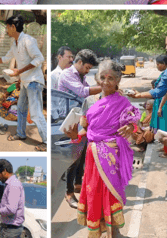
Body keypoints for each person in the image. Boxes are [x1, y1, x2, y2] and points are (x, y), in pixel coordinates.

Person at [75, 60, 140, 238]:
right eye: (102, 77)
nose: (105, 81)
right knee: (93, 191)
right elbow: (84, 129)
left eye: (110, 78)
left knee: (112, 191)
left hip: (112, 156)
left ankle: (115, 230)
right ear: (96, 78)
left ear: (118, 80)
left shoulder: (123, 102)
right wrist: (74, 135)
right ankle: (97, 230)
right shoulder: (89, 101)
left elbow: (135, 125)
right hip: (93, 155)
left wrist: (131, 128)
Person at [0, 15, 47, 151]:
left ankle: (46, 142)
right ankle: (21, 134)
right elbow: (7, 57)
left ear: (13, 27)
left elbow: (39, 58)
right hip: (25, 82)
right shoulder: (14, 42)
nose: (6, 30)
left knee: (36, 113)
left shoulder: (28, 41)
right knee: (20, 108)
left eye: (7, 27)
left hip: (34, 82)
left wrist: (19, 71)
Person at [58, 49, 101, 209]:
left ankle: (77, 185)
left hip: (79, 118)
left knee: (82, 154)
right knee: (73, 157)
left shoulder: (80, 76)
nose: (88, 71)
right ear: (80, 62)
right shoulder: (68, 74)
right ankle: (69, 194)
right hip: (69, 119)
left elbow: (89, 94)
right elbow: (83, 93)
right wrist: (104, 86)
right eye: (87, 68)